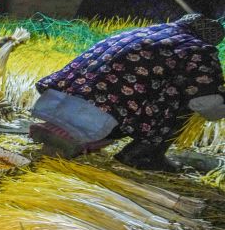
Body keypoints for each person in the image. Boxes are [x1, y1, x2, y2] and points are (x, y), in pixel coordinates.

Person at [29, 13, 225, 171]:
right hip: (104, 112)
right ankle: (143, 156)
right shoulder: (199, 49)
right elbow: (208, 104)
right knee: (187, 99)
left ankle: (71, 134)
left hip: (59, 100)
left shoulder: (142, 33)